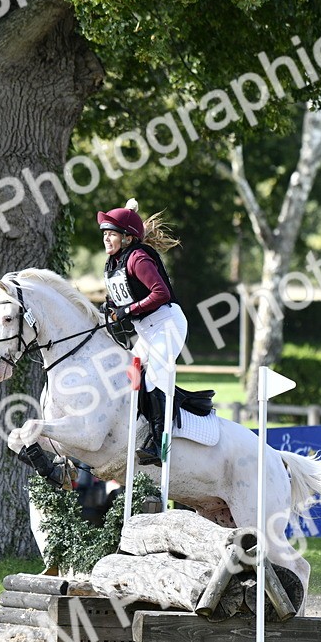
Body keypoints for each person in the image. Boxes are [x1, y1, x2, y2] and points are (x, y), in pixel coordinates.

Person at [98, 198, 187, 466]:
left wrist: (128, 310)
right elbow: (121, 295)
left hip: (166, 324)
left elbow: (160, 293)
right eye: (105, 234)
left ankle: (159, 445)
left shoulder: (138, 258)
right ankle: (136, 430)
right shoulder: (113, 263)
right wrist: (110, 307)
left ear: (127, 238)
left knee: (152, 380)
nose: (106, 239)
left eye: (111, 234)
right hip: (147, 330)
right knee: (130, 375)